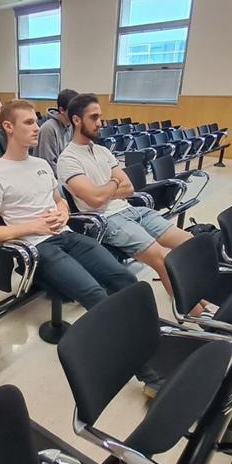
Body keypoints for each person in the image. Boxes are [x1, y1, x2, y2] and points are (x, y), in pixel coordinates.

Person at [0, 99, 164, 397]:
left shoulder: (39, 165)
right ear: (8, 127)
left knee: (124, 278)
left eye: (35, 122)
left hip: (64, 234)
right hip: (36, 249)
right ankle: (148, 374)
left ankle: (145, 338)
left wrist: (62, 212)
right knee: (96, 295)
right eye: (28, 123)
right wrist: (31, 228)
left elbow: (59, 200)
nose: (36, 128)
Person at [57, 93, 197, 310]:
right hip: (108, 219)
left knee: (191, 243)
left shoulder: (103, 151)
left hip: (132, 210)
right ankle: (193, 313)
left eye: (100, 117)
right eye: (93, 118)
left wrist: (106, 188)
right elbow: (94, 200)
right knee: (164, 259)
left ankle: (200, 298)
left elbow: (129, 187)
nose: (100, 123)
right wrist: (114, 182)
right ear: (76, 120)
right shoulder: (68, 159)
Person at [36, 88, 77, 172]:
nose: (78, 113)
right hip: (50, 177)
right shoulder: (48, 128)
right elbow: (47, 163)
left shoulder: (71, 125)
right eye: (74, 110)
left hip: (65, 173)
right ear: (62, 110)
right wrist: (70, 177)